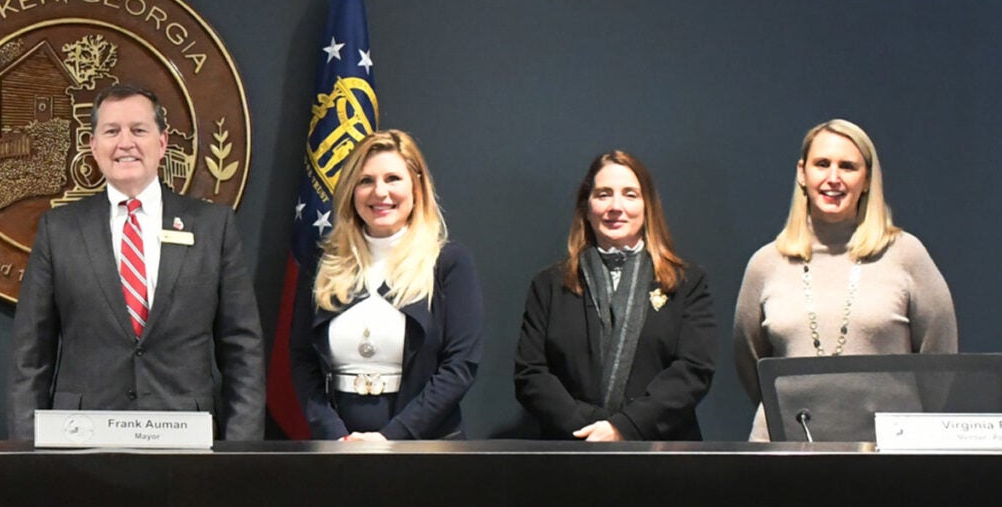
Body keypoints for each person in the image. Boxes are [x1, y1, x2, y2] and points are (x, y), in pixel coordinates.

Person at [6, 83, 265, 440]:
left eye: (138, 130)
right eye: (111, 131)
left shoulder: (213, 227)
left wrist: (241, 453)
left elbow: (242, 350)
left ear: (162, 143)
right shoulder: (59, 229)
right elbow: (31, 355)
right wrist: (26, 454)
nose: (125, 142)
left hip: (187, 444)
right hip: (81, 446)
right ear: (93, 146)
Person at [733, 119, 958, 441]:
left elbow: (940, 363)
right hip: (786, 450)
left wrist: (908, 430)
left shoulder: (906, 254)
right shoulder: (766, 263)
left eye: (848, 166)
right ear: (802, 172)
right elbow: (751, 361)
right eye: (822, 164)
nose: (833, 178)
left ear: (866, 179)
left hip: (887, 454)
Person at [289, 130, 482, 440]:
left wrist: (391, 439)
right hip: (340, 451)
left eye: (393, 179)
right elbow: (302, 359)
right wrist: (335, 436)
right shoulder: (322, 263)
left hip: (426, 452)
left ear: (417, 187)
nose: (380, 192)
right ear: (351, 190)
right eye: (366, 181)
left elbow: (460, 366)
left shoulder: (447, 263)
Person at [514, 151, 718, 441]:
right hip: (571, 451)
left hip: (663, 457)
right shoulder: (548, 285)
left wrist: (625, 427)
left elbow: (693, 371)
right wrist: (593, 428)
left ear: (648, 206)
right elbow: (530, 374)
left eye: (630, 194)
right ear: (586, 207)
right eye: (604, 194)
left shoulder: (687, 283)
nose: (616, 206)